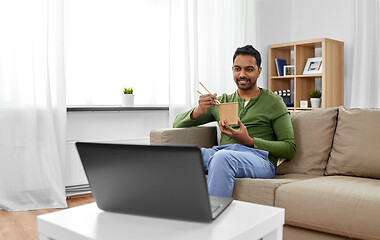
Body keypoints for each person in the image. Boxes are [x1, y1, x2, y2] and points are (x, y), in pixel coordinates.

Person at [173, 45, 296, 197]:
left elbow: (289, 148)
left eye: (249, 69)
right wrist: (198, 111)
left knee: (221, 158)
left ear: (259, 71)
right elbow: (176, 124)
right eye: (237, 69)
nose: (242, 74)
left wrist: (250, 141)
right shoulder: (222, 102)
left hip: (259, 160)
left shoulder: (274, 102)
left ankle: (215, 216)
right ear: (232, 70)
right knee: (182, 155)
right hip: (222, 153)